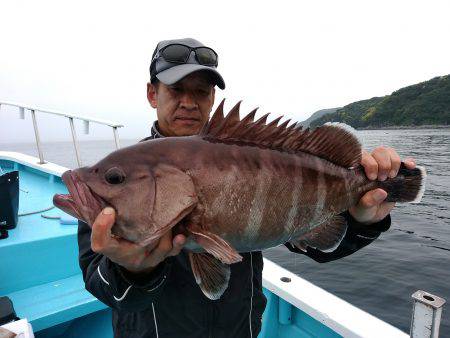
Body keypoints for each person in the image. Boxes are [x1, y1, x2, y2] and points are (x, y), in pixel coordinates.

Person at [78, 38, 417, 338]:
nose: (188, 102)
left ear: (212, 98)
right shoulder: (115, 182)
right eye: (175, 89)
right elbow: (102, 286)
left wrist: (363, 219)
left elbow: (317, 248)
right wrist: (134, 269)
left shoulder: (247, 155)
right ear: (153, 94)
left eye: (200, 91)